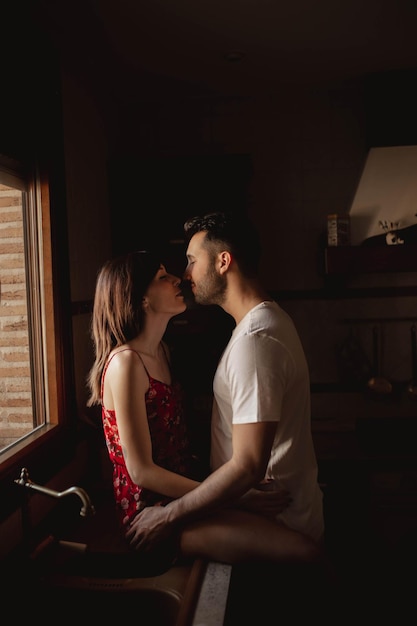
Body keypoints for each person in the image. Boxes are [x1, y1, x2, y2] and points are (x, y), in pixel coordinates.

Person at [86, 249, 324, 569]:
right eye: (162, 277)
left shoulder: (161, 352)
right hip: (151, 516)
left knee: (302, 548)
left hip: (185, 501)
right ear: (141, 299)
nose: (177, 278)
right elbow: (141, 471)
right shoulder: (126, 363)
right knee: (303, 552)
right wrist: (234, 495)